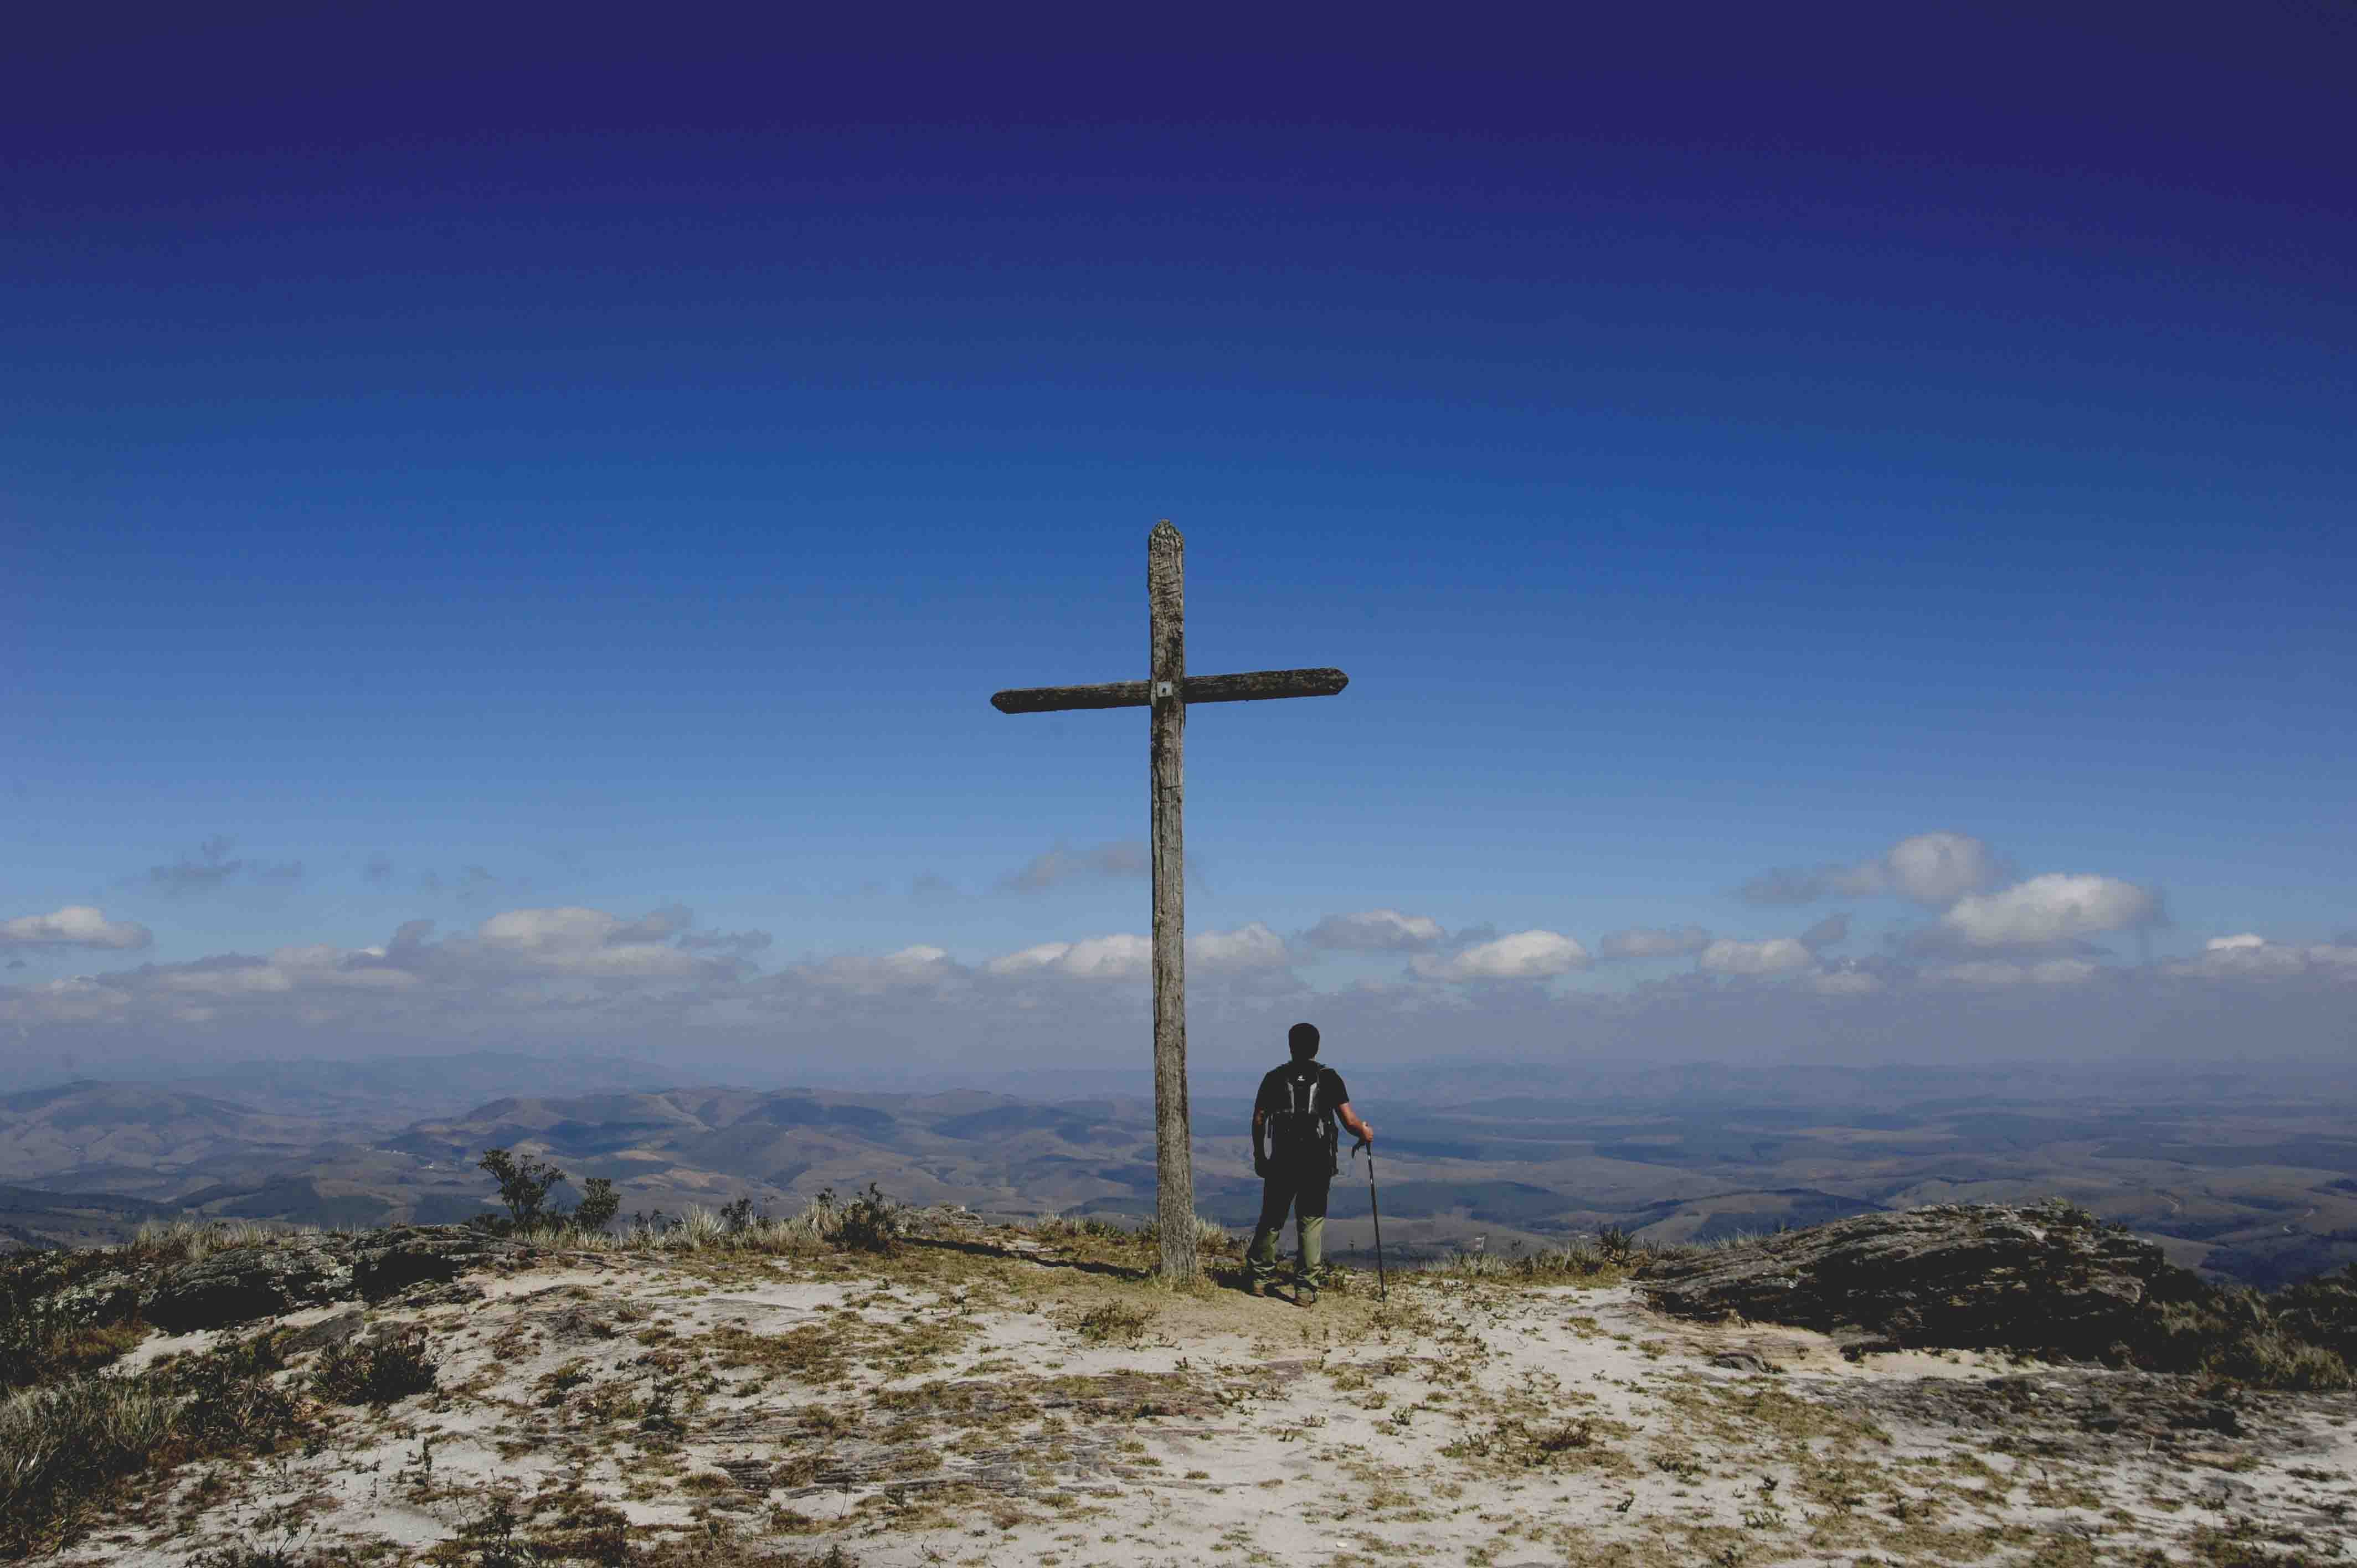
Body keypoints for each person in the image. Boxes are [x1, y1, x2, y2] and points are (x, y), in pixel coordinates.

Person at [1246, 1021, 1372, 1304]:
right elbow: (1349, 1121)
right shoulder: (1329, 1077)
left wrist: (1259, 1155)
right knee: (1311, 1222)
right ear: (1317, 1046)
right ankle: (1305, 1289)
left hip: (1281, 1161)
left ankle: (1259, 1279)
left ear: (1291, 1046)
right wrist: (1365, 1132)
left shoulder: (1273, 1077)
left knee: (1272, 1218)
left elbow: (1258, 1119)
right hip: (1317, 1164)